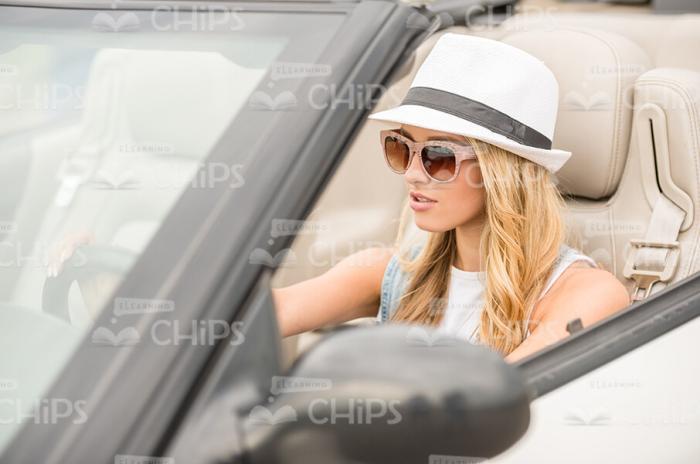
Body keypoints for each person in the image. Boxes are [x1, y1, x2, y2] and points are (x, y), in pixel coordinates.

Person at [272, 33, 630, 362]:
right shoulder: (391, 273)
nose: (411, 172)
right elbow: (260, 317)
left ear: (501, 172)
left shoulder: (585, 292)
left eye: (438, 156)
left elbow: (487, 402)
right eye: (400, 147)